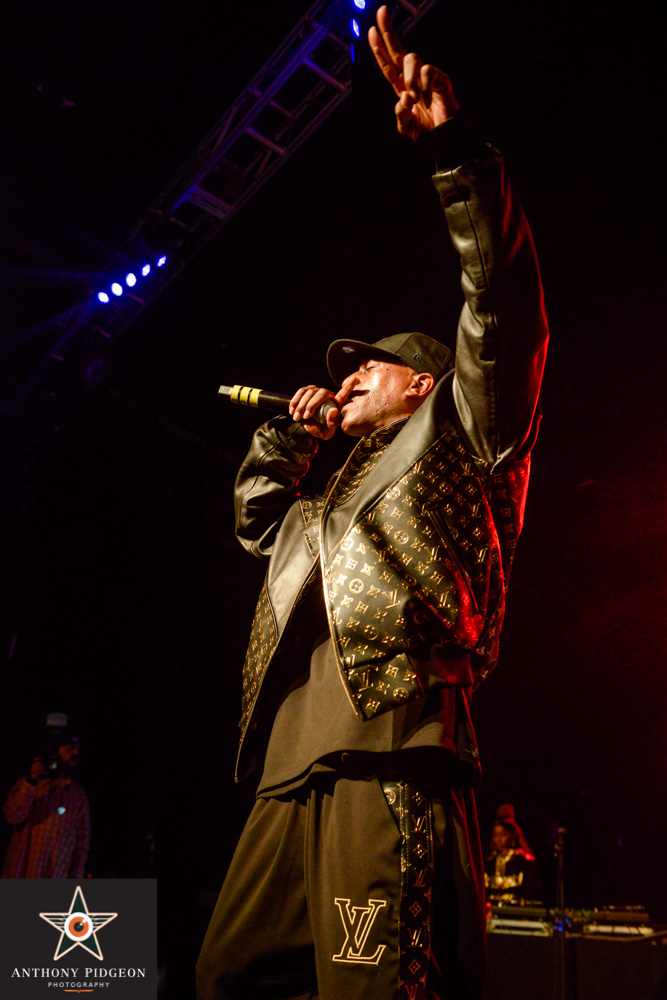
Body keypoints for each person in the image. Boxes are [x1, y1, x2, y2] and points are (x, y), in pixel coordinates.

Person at [197, 6, 548, 1000]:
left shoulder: (465, 433)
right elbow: (257, 523)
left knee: (378, 983)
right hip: (286, 769)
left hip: (389, 751)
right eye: (340, 370)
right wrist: (289, 435)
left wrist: (456, 154)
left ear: (425, 380)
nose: (347, 375)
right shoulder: (323, 497)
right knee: (228, 974)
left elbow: (503, 307)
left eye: (370, 365)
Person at [2, 727, 91, 879]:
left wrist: (75, 877)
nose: (76, 753)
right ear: (54, 751)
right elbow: (12, 816)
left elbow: (82, 845)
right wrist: (31, 782)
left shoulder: (78, 796)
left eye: (77, 749)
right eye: (70, 749)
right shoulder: (29, 785)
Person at [485, 808, 542, 903]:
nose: (499, 839)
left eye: (503, 835)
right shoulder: (488, 861)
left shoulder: (521, 860)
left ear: (512, 836)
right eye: (495, 835)